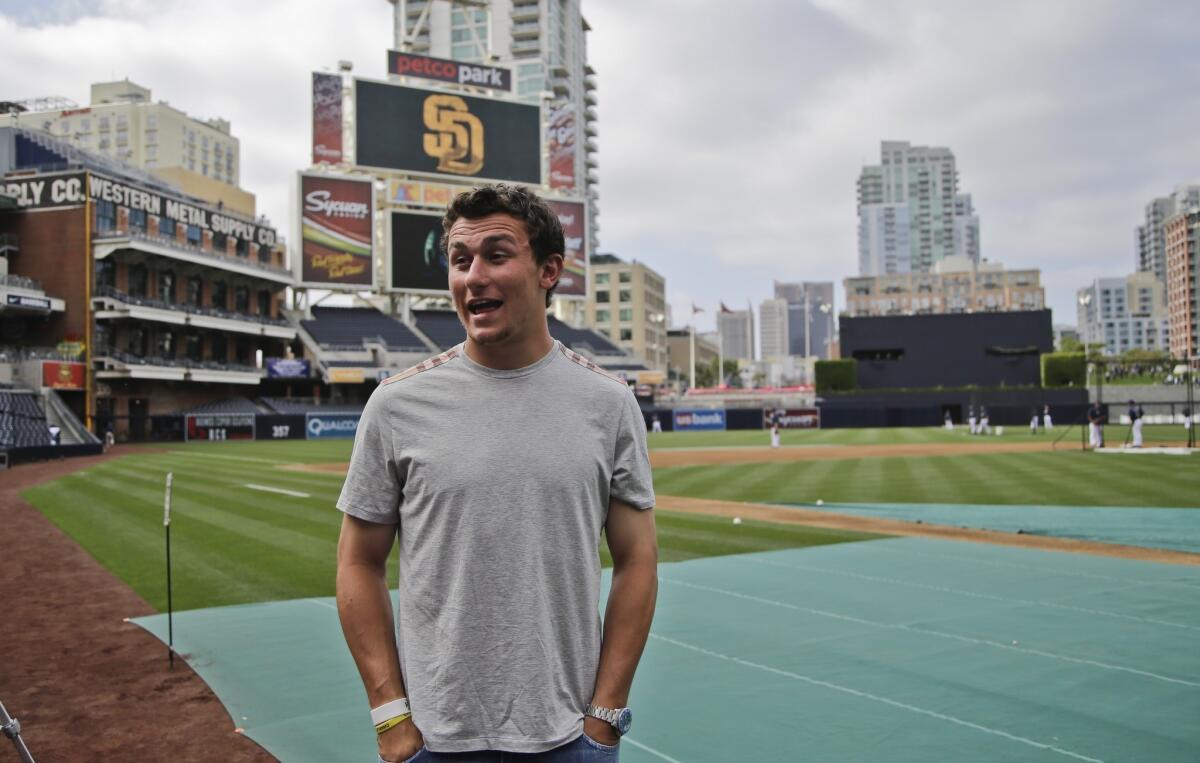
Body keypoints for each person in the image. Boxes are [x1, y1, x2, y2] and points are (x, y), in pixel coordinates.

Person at [335, 184, 658, 763]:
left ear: (549, 270)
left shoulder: (608, 403)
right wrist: (390, 716)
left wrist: (605, 717)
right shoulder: (395, 404)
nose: (473, 276)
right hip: (433, 742)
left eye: (496, 255)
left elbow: (638, 560)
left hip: (568, 740)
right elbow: (358, 561)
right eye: (460, 261)